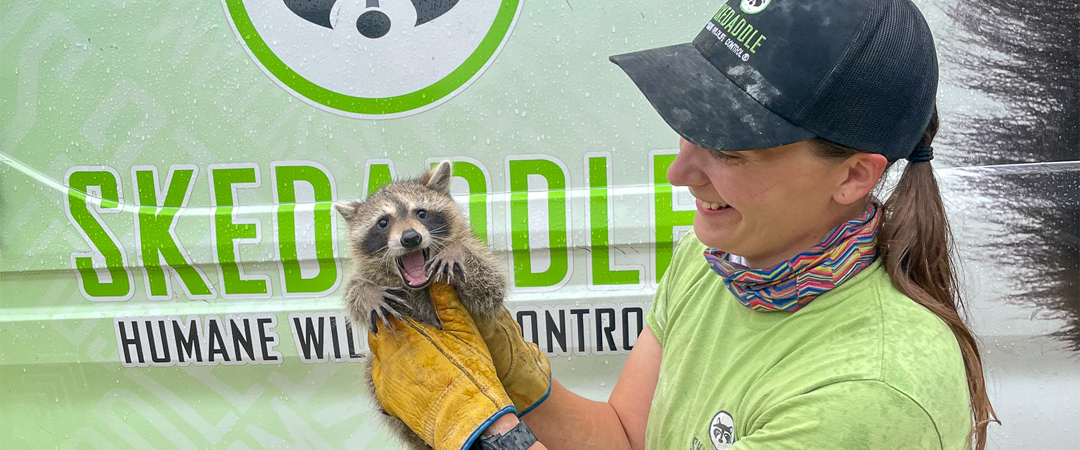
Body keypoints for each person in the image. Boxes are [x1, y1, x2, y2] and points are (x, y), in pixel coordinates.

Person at [365, 0, 999, 449]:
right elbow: (625, 437)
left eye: (730, 150)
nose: (680, 171)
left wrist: (484, 434)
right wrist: (499, 357)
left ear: (855, 177)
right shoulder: (720, 259)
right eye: (691, 123)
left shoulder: (868, 391)